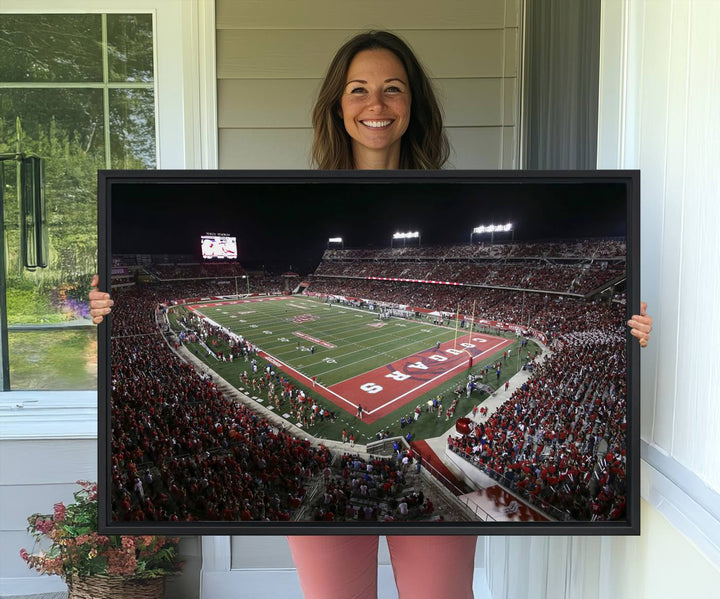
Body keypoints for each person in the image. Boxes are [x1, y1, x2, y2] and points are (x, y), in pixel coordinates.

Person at [89, 29, 653, 599]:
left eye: (393, 89)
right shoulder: (308, 189)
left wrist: (626, 331)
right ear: (337, 104)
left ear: (414, 105)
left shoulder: (452, 192)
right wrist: (106, 312)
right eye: (358, 89)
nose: (375, 105)